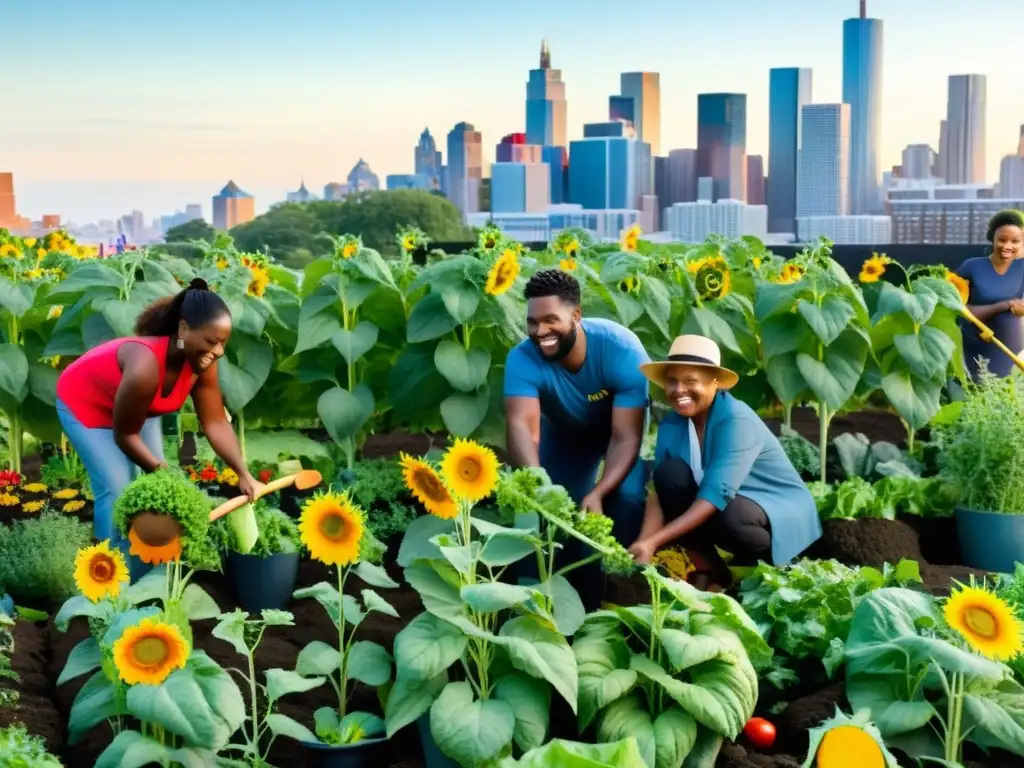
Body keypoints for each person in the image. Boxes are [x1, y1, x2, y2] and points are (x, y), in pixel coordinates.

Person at [55, 278, 264, 544]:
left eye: (223, 342)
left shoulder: (201, 362)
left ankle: (151, 553)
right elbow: (126, 436)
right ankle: (109, 565)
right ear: (184, 328)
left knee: (157, 484)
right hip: (86, 404)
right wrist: (162, 470)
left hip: (135, 410)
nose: (219, 351)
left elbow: (215, 423)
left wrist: (243, 473)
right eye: (212, 341)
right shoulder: (145, 364)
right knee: (118, 487)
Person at [627, 335, 821, 587]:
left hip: (774, 506)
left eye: (690, 381)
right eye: (672, 381)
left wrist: (655, 542)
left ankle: (774, 569)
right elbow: (657, 493)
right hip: (724, 502)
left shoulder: (736, 420)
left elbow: (715, 496)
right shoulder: (672, 424)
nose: (679, 390)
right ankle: (712, 570)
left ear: (715, 382)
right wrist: (643, 544)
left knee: (730, 517)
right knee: (669, 474)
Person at [504, 269, 650, 604]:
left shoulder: (621, 350)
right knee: (553, 508)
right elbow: (521, 426)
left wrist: (599, 491)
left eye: (551, 320)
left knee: (623, 501)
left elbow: (626, 437)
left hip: (617, 433)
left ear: (577, 315)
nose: (540, 331)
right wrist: (538, 484)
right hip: (567, 434)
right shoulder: (523, 359)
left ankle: (619, 593)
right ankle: (543, 604)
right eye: (532, 322)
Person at [957, 209, 1024, 379]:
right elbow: (957, 307)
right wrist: (1004, 305)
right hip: (975, 341)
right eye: (1002, 240)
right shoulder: (972, 267)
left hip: (1011, 345)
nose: (1007, 246)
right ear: (992, 238)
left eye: (1015, 241)